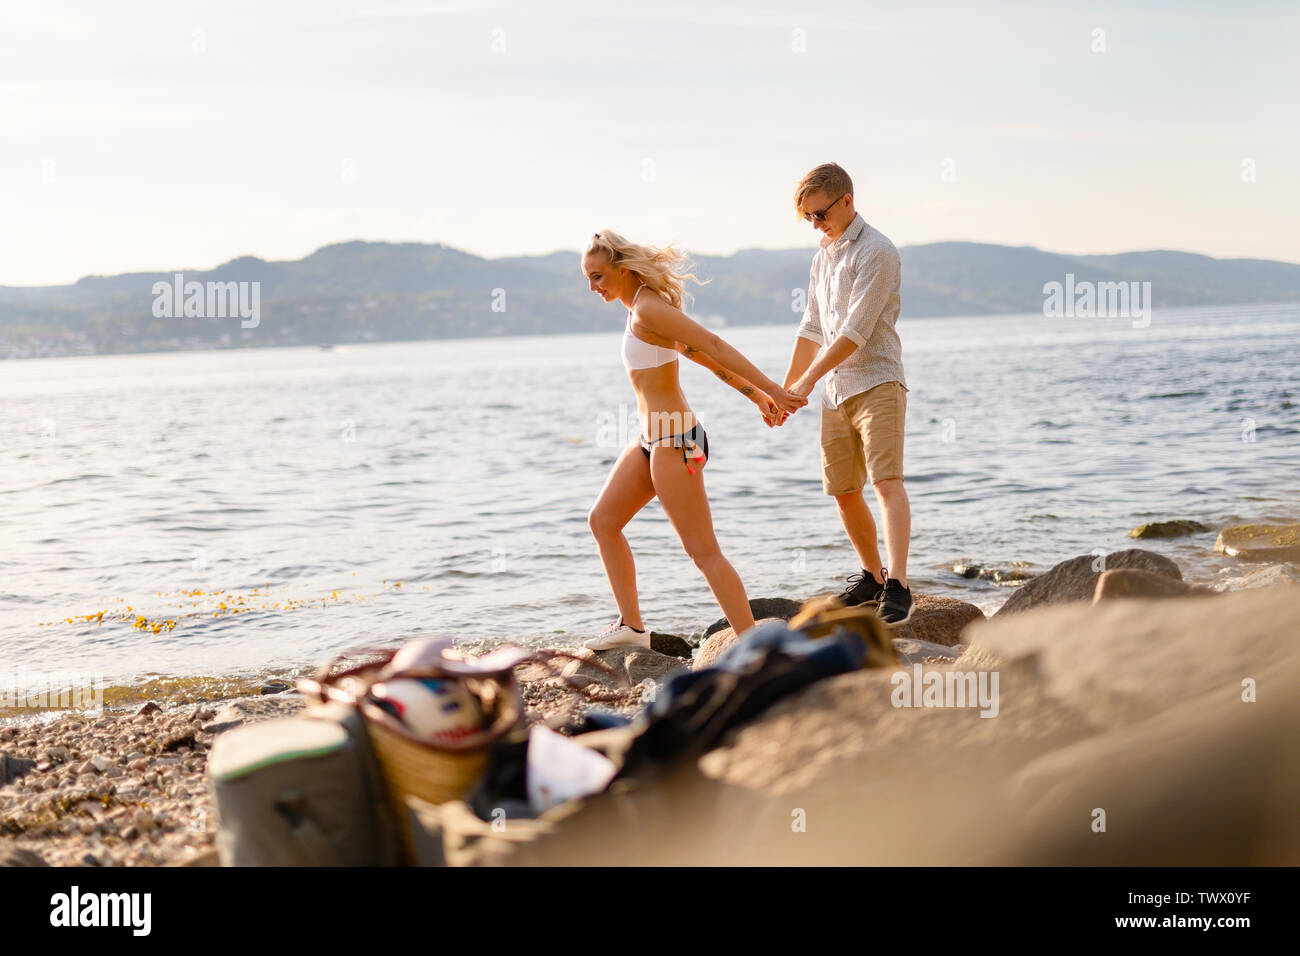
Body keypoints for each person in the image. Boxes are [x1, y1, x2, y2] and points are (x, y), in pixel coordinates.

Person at [580, 230, 807, 649]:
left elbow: (713, 344)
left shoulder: (648, 308)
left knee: (703, 552)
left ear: (621, 268)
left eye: (598, 276)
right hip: (651, 439)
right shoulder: (638, 311)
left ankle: (752, 645)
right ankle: (631, 627)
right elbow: (698, 355)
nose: (593, 287)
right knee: (603, 521)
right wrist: (756, 396)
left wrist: (772, 388)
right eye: (588, 280)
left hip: (676, 441)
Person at [776, 163, 914, 624]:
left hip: (877, 380)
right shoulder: (822, 257)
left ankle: (898, 585)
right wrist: (784, 390)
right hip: (835, 391)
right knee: (844, 491)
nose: (815, 224)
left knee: (886, 482)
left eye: (820, 214)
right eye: (808, 218)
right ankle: (872, 576)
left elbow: (855, 331)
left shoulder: (878, 251)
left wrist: (807, 381)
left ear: (846, 201)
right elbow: (811, 327)